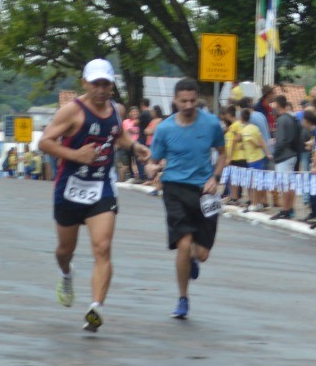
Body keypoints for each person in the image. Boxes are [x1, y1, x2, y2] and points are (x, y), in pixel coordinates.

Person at [38, 59, 147, 332]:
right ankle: (66, 273)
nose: (101, 89)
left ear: (112, 85)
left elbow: (116, 135)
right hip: (70, 187)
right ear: (85, 83)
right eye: (95, 83)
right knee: (65, 251)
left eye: (105, 84)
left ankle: (95, 307)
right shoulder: (71, 112)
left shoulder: (117, 110)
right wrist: (76, 155)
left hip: (101, 187)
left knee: (102, 247)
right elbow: (45, 142)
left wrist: (135, 147)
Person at [146, 78, 228, 319]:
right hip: (175, 189)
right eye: (184, 101)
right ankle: (183, 298)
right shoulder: (165, 129)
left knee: (201, 253)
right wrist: (151, 168)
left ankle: (193, 258)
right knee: (183, 243)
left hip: (205, 191)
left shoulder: (211, 123)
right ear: (175, 101)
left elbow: (223, 153)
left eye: (193, 100)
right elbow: (154, 160)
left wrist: (216, 177)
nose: (189, 105)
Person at [269, 96, 303, 220]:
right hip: (293, 153)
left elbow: (281, 140)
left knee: (285, 184)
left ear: (278, 104)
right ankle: (289, 208)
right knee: (290, 183)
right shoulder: (293, 118)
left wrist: (275, 154)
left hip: (284, 155)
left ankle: (286, 209)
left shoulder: (282, 119)